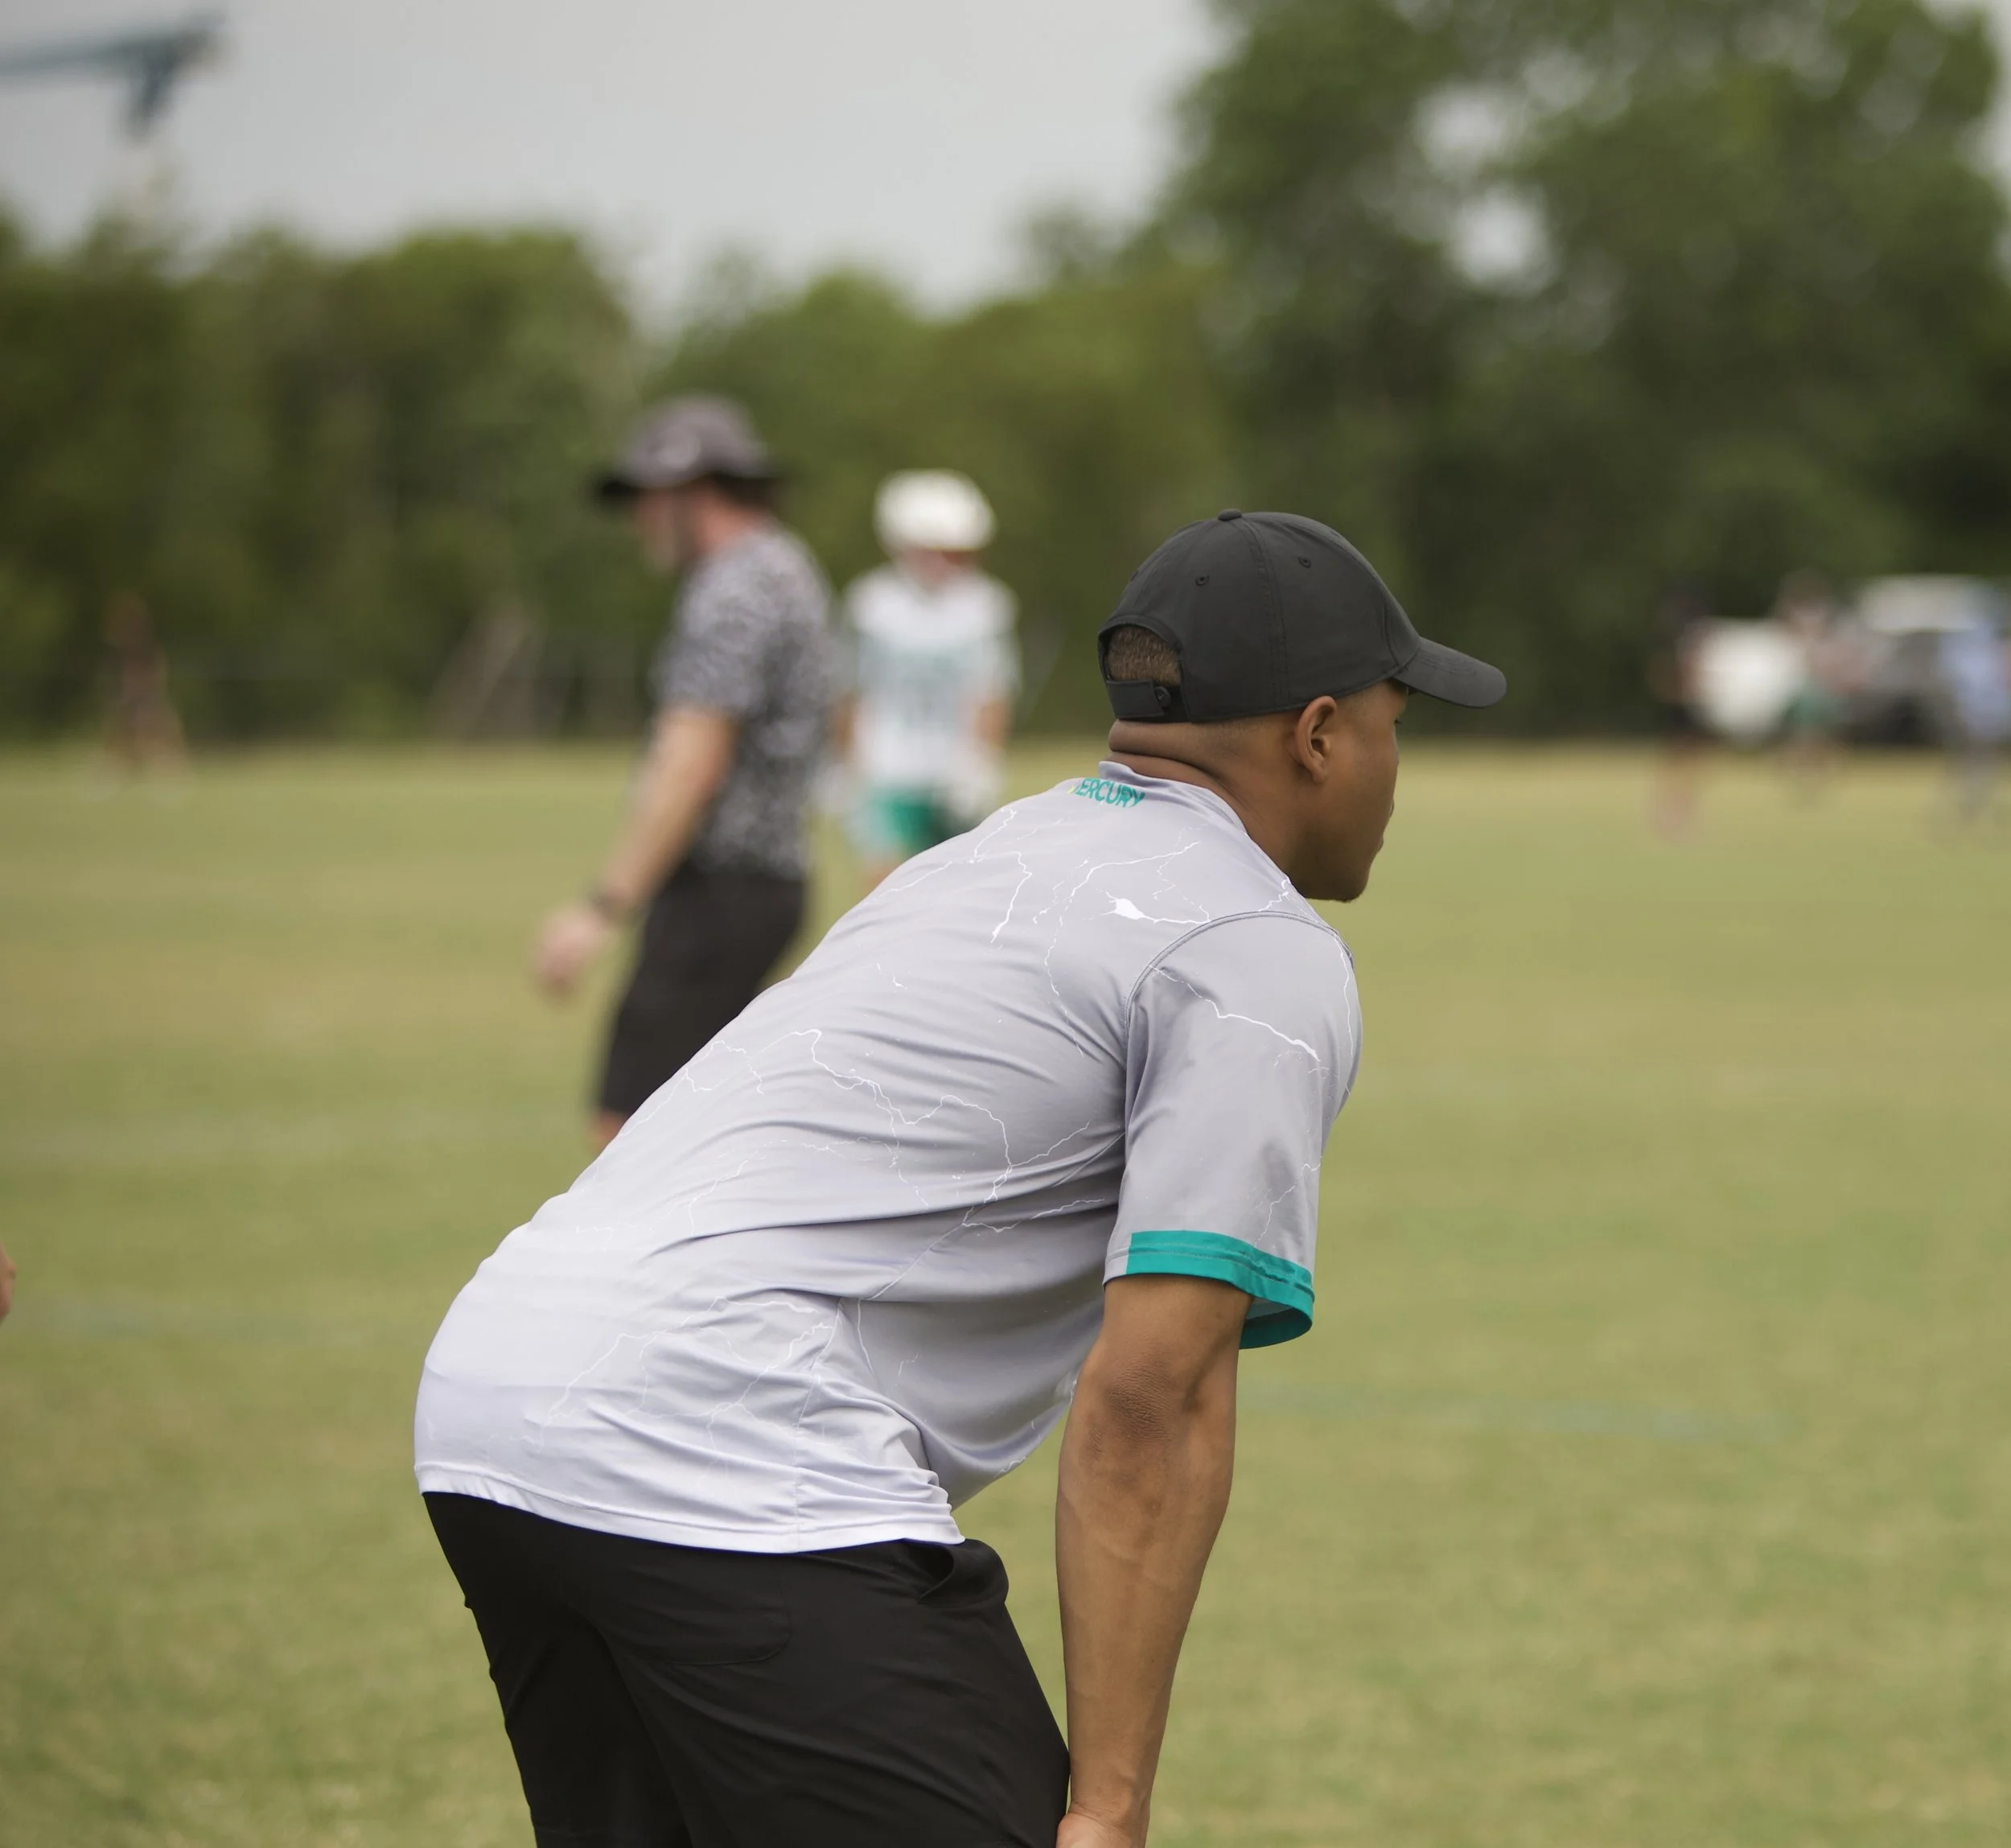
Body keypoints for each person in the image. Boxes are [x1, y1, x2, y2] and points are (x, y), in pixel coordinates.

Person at [416, 508, 1506, 1848]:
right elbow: (1154, 1396)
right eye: (1397, 725)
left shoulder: (985, 852)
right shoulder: (1253, 946)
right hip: (722, 1434)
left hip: (492, 1402)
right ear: (1321, 733)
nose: (1396, 769)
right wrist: (1105, 1808)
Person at [533, 396, 833, 1146]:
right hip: (763, 886)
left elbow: (692, 759)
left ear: (692, 495)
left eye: (648, 500)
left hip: (719, 893)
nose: (639, 520)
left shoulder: (732, 589)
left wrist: (602, 906)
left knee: (629, 1135)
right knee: (708, 1133)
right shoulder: (784, 565)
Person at [836, 470, 1019, 886]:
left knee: (955, 888)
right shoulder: (872, 605)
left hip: (953, 772)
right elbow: (851, 690)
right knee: (886, 889)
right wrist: (848, 768)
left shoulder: (986, 606)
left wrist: (981, 761)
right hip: (889, 770)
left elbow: (990, 690)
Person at [1936, 600, 2011, 825]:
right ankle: (1966, 806)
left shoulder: (1967, 653)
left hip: (1983, 716)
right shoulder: (1972, 654)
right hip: (1980, 717)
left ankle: (1968, 806)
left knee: (1975, 763)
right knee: (1974, 763)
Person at [1647, 581, 1710, 838]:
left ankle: (1675, 812)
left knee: (1682, 764)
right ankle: (1675, 814)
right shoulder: (1688, 644)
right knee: (1684, 764)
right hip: (1685, 710)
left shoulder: (1675, 642)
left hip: (1682, 709)